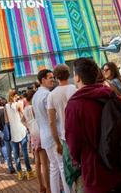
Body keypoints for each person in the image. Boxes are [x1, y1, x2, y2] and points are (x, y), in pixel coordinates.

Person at [65, 58, 121, 193]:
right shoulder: (109, 94)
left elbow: (73, 144)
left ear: (77, 77)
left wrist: (80, 160)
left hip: (97, 174)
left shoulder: (74, 105)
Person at [47, 64, 76, 193]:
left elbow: (51, 122)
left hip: (65, 137)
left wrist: (57, 142)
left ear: (56, 77)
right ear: (68, 74)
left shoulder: (52, 95)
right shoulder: (75, 89)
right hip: (79, 133)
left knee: (68, 170)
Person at [23, 89, 51, 193]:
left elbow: (22, 120)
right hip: (39, 133)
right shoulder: (34, 107)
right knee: (45, 164)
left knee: (37, 163)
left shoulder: (25, 109)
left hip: (33, 135)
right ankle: (48, 188)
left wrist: (29, 126)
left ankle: (41, 186)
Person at [5, 89, 34, 180]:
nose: (18, 96)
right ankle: (29, 172)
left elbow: (7, 121)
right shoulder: (19, 104)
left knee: (16, 154)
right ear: (14, 95)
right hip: (21, 130)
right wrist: (28, 126)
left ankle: (20, 174)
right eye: (17, 95)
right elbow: (23, 116)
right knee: (25, 153)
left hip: (13, 132)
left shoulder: (6, 106)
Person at [0, 97, 15, 174]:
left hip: (4, 132)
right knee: (14, 149)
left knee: (8, 151)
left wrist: (2, 130)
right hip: (12, 131)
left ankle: (10, 168)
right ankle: (17, 167)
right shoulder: (7, 109)